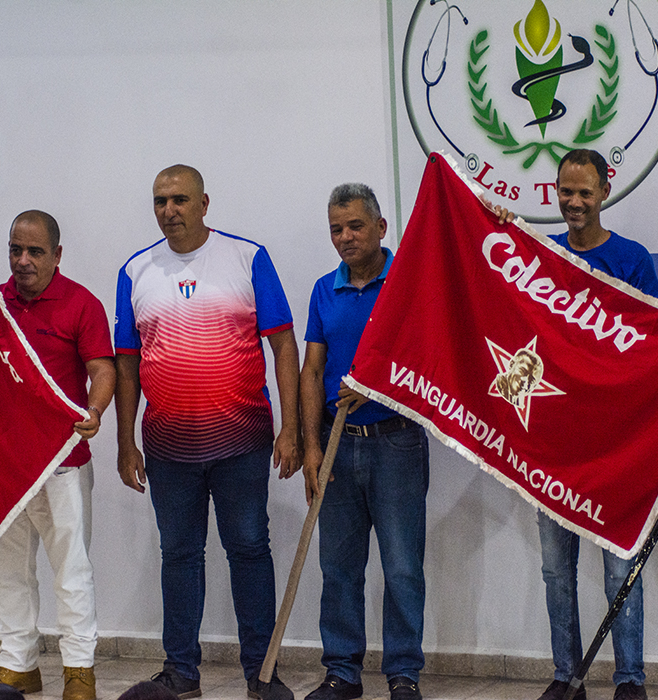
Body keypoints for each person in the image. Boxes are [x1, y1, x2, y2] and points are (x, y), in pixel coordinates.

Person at [114, 165, 300, 700]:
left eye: (179, 199)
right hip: (168, 446)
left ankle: (260, 674)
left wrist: (291, 428)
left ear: (203, 203)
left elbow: (283, 345)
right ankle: (181, 673)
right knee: (179, 555)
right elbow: (127, 364)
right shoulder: (135, 271)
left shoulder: (247, 258)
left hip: (242, 440)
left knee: (248, 549)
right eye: (159, 201)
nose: (168, 210)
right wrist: (125, 442)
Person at [495, 149, 658, 700]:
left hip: (617, 446)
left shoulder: (632, 259)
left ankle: (630, 679)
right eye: (565, 192)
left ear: (604, 192)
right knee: (555, 572)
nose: (573, 202)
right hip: (553, 444)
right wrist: (494, 225)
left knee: (621, 571)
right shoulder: (540, 256)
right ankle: (566, 676)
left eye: (584, 192)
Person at [299, 184, 429, 700]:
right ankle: (342, 672)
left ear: (381, 227)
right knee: (339, 566)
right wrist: (311, 446)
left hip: (396, 443)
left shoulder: (410, 282)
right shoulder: (322, 290)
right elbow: (312, 370)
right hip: (336, 443)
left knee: (401, 566)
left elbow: (427, 358)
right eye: (336, 229)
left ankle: (403, 673)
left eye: (355, 226)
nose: (346, 237)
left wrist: (376, 384)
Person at [0, 211, 116, 700]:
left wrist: (96, 408)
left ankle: (79, 669)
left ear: (57, 255)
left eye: (34, 252)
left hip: (63, 463)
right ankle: (17, 664)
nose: (22, 261)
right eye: (15, 250)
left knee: (71, 570)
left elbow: (102, 369)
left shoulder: (82, 304)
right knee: (8, 571)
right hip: (6, 466)